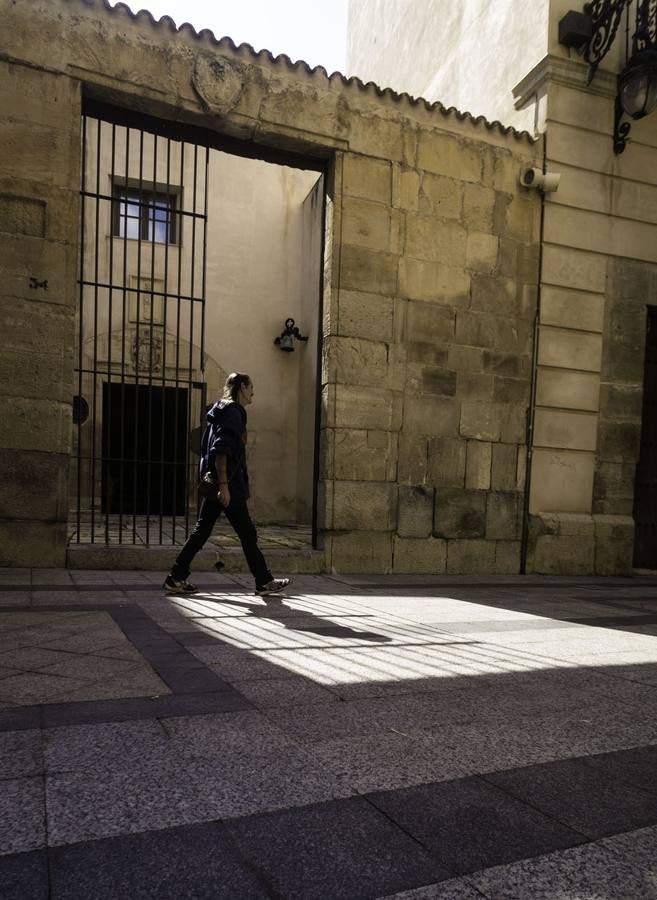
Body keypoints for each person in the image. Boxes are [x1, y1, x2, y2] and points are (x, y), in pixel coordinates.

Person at [163, 373, 290, 597]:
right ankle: (263, 581)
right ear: (242, 387)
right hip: (228, 485)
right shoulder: (233, 412)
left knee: (203, 532)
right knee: (246, 534)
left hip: (220, 484)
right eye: (251, 387)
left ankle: (176, 577)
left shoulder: (219, 412)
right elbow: (221, 450)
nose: (253, 393)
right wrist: (224, 486)